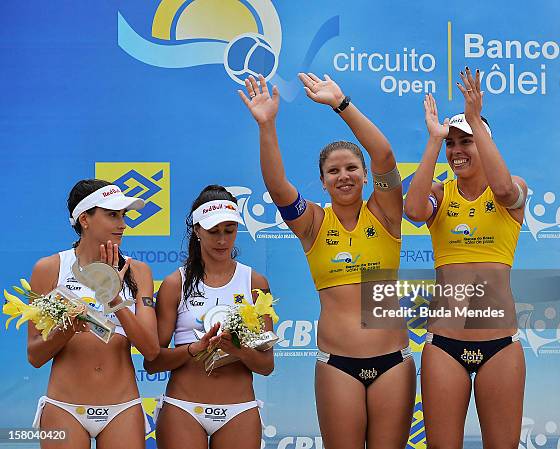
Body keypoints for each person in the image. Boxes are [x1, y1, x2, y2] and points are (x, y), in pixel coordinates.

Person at [239, 73, 416, 449]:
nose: (344, 176)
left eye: (352, 168)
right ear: (322, 182)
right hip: (338, 365)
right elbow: (277, 186)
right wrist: (267, 124)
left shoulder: (385, 213)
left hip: (393, 363)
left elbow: (384, 154)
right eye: (333, 171)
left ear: (366, 176)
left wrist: (341, 105)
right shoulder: (314, 224)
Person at [404, 67, 527, 449]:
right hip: (445, 345)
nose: (456, 150)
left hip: (500, 345)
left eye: (466, 141)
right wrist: (433, 140)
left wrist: (474, 118)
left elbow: (505, 189)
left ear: (486, 143)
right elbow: (412, 211)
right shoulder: (440, 194)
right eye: (451, 143)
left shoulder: (513, 189)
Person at [29, 179, 159, 449]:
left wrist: (114, 298)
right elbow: (35, 355)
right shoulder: (50, 268)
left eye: (123, 215)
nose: (122, 223)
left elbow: (150, 350)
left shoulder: (138, 272)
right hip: (64, 407)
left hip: (122, 408)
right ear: (84, 219)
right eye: (112, 215)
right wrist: (68, 329)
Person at [144, 185, 273, 449]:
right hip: (184, 408)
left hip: (239, 409)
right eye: (213, 232)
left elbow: (266, 365)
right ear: (197, 231)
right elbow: (152, 362)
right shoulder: (174, 284)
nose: (222, 240)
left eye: (230, 231)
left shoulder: (254, 282)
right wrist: (194, 350)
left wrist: (238, 351)